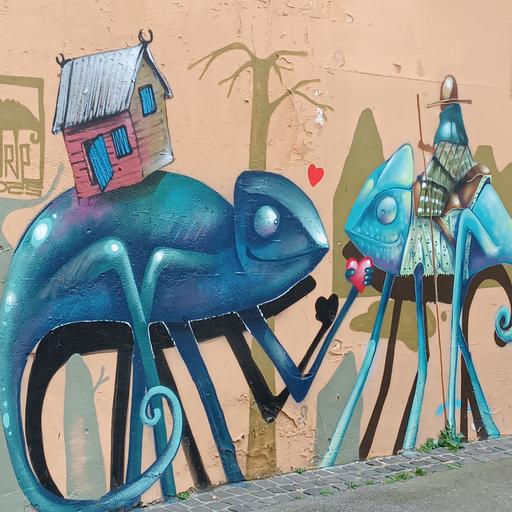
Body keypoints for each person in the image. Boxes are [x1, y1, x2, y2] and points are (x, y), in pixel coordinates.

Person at [417, 75, 486, 243]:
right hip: (461, 162)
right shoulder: (456, 116)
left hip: (451, 166)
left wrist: (426, 148)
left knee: (429, 186)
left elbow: (442, 152)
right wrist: (425, 147)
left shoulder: (446, 120)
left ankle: (446, 232)